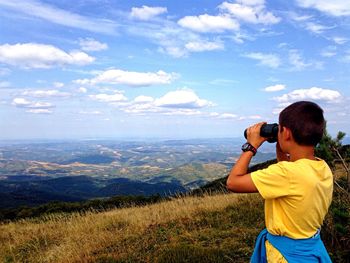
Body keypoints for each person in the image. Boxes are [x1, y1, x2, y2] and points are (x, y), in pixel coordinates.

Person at [226, 101, 333, 262]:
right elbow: (290, 177)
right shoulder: (321, 167)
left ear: (287, 133)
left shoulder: (287, 174)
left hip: (285, 256)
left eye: (280, 129)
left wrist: (251, 145)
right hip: (310, 248)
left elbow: (233, 182)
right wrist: (280, 146)